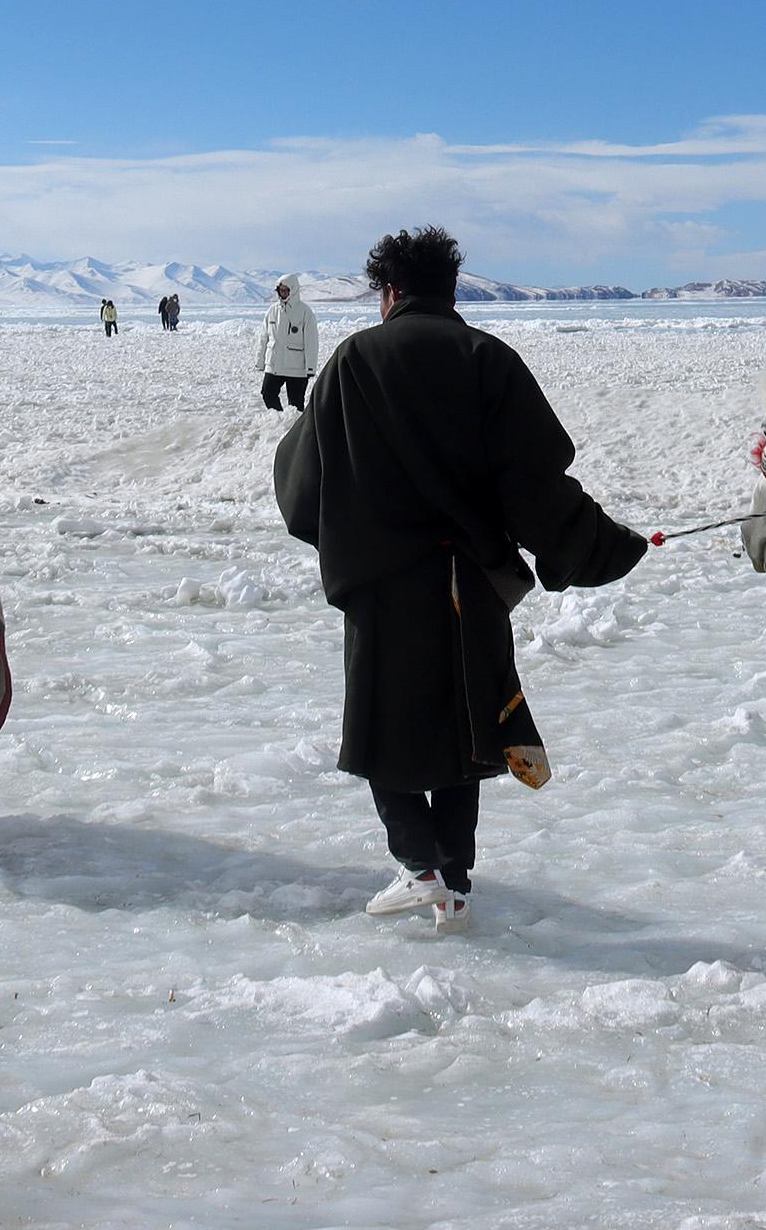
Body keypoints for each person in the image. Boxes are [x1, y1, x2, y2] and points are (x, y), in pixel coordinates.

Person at [274, 224, 647, 929]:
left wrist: (350, 535)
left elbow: (302, 484)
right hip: (471, 583)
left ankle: (421, 868)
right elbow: (536, 486)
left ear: (389, 293)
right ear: (451, 291)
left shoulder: (355, 361)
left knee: (385, 728)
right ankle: (454, 877)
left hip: (384, 584)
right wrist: (600, 545)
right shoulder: (488, 359)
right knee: (465, 728)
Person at [259, 274, 321, 411]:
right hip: (275, 364)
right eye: (280, 290)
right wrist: (260, 361)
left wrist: (311, 367)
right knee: (267, 393)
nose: (283, 293)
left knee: (296, 404)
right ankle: (279, 421)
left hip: (296, 367)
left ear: (293, 290)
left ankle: (295, 427)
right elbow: (264, 337)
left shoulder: (305, 312)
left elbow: (311, 342)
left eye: (286, 290)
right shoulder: (272, 311)